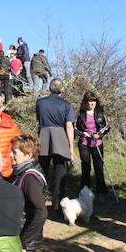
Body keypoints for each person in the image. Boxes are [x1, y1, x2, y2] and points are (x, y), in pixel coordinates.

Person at [36, 79, 75, 220]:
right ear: (61, 89)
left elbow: (39, 120)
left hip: (43, 137)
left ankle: (38, 204)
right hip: (60, 138)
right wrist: (71, 148)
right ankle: (56, 207)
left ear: (50, 88)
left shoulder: (40, 102)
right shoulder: (66, 104)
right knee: (60, 175)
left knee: (41, 173)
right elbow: (69, 127)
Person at [74, 91, 110, 200]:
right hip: (84, 143)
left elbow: (107, 127)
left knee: (98, 167)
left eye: (93, 101)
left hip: (97, 143)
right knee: (86, 166)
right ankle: (85, 191)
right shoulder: (80, 114)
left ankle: (101, 191)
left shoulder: (100, 113)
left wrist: (99, 134)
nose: (92, 103)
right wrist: (83, 133)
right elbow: (75, 127)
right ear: (85, 102)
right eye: (90, 101)